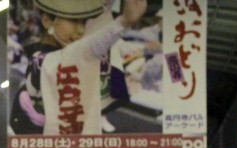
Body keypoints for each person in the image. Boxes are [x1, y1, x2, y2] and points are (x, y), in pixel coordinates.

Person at [10, 0, 148, 136]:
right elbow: (90, 47)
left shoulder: (56, 53)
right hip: (40, 139)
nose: (80, 30)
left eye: (83, 22)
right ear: (47, 21)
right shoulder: (45, 59)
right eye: (73, 21)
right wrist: (123, 22)